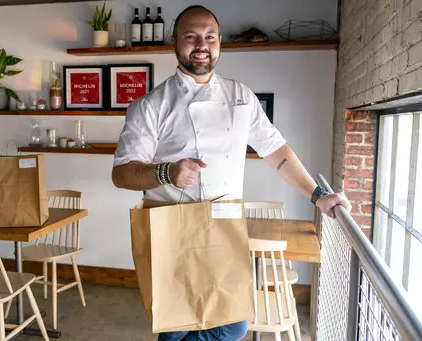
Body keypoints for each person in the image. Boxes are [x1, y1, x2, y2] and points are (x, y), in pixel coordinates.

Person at [112, 5, 349, 341]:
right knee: (178, 322)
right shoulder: (152, 105)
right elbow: (121, 174)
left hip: (223, 222)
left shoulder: (241, 97)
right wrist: (166, 172)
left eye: (209, 37)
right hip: (172, 225)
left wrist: (317, 195)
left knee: (233, 322)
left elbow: (277, 152)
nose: (201, 44)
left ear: (220, 42)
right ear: (174, 42)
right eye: (191, 36)